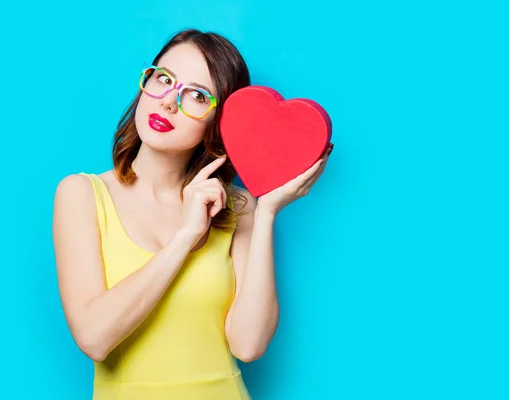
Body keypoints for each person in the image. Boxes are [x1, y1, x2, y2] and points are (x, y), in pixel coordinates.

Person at [52, 28, 333, 400]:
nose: (168, 102)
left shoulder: (239, 209)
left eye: (197, 96)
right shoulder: (81, 194)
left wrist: (265, 213)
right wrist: (185, 236)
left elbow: (248, 346)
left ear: (220, 125)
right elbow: (94, 338)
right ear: (146, 82)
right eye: (164, 79)